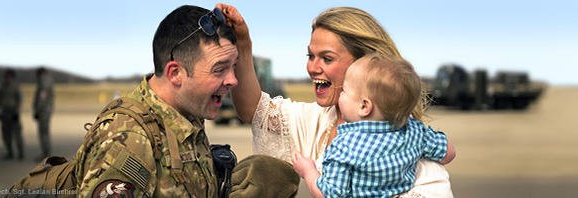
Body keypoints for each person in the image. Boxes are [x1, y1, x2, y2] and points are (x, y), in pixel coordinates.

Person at [218, 4, 455, 197]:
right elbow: (254, 109)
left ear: (365, 65)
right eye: (310, 56)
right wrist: (243, 44)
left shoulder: (415, 152)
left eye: (327, 59)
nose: (312, 68)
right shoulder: (319, 119)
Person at [72, 5, 299, 197]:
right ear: (175, 73)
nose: (232, 80)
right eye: (219, 69)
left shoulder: (185, 113)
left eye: (233, 66)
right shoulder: (129, 139)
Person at [293, 54, 457, 197]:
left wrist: (309, 172)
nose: (340, 95)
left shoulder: (344, 146)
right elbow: (449, 153)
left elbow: (329, 194)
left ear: (364, 106)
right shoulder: (415, 130)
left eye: (344, 91)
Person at [0, 69, 25, 160]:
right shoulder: (2, 86)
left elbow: (20, 100)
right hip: (4, 112)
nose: (7, 78)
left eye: (9, 77)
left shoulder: (16, 86)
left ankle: (20, 153)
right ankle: (10, 152)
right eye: (6, 77)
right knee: (5, 133)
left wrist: (17, 112)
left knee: (17, 134)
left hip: (13, 112)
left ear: (12, 77)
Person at [33, 67, 54, 161]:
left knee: (43, 133)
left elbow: (42, 98)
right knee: (45, 133)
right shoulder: (47, 81)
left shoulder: (44, 83)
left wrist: (38, 110)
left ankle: (46, 154)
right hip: (46, 110)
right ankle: (46, 153)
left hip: (43, 111)